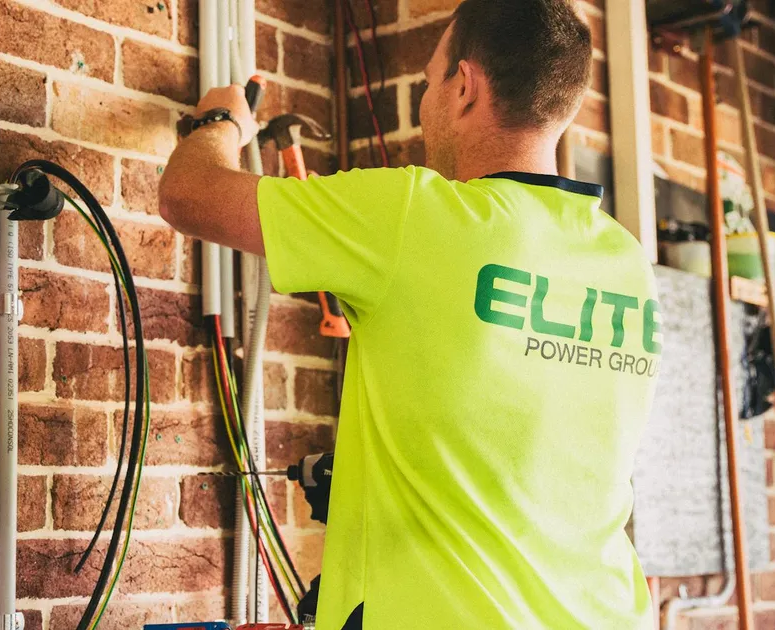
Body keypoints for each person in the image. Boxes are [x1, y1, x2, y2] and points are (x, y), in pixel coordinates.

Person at [158, 0, 660, 627]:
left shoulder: (414, 217)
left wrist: (220, 121)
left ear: (465, 86)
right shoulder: (625, 261)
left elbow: (189, 196)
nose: (425, 103)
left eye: (428, 82)